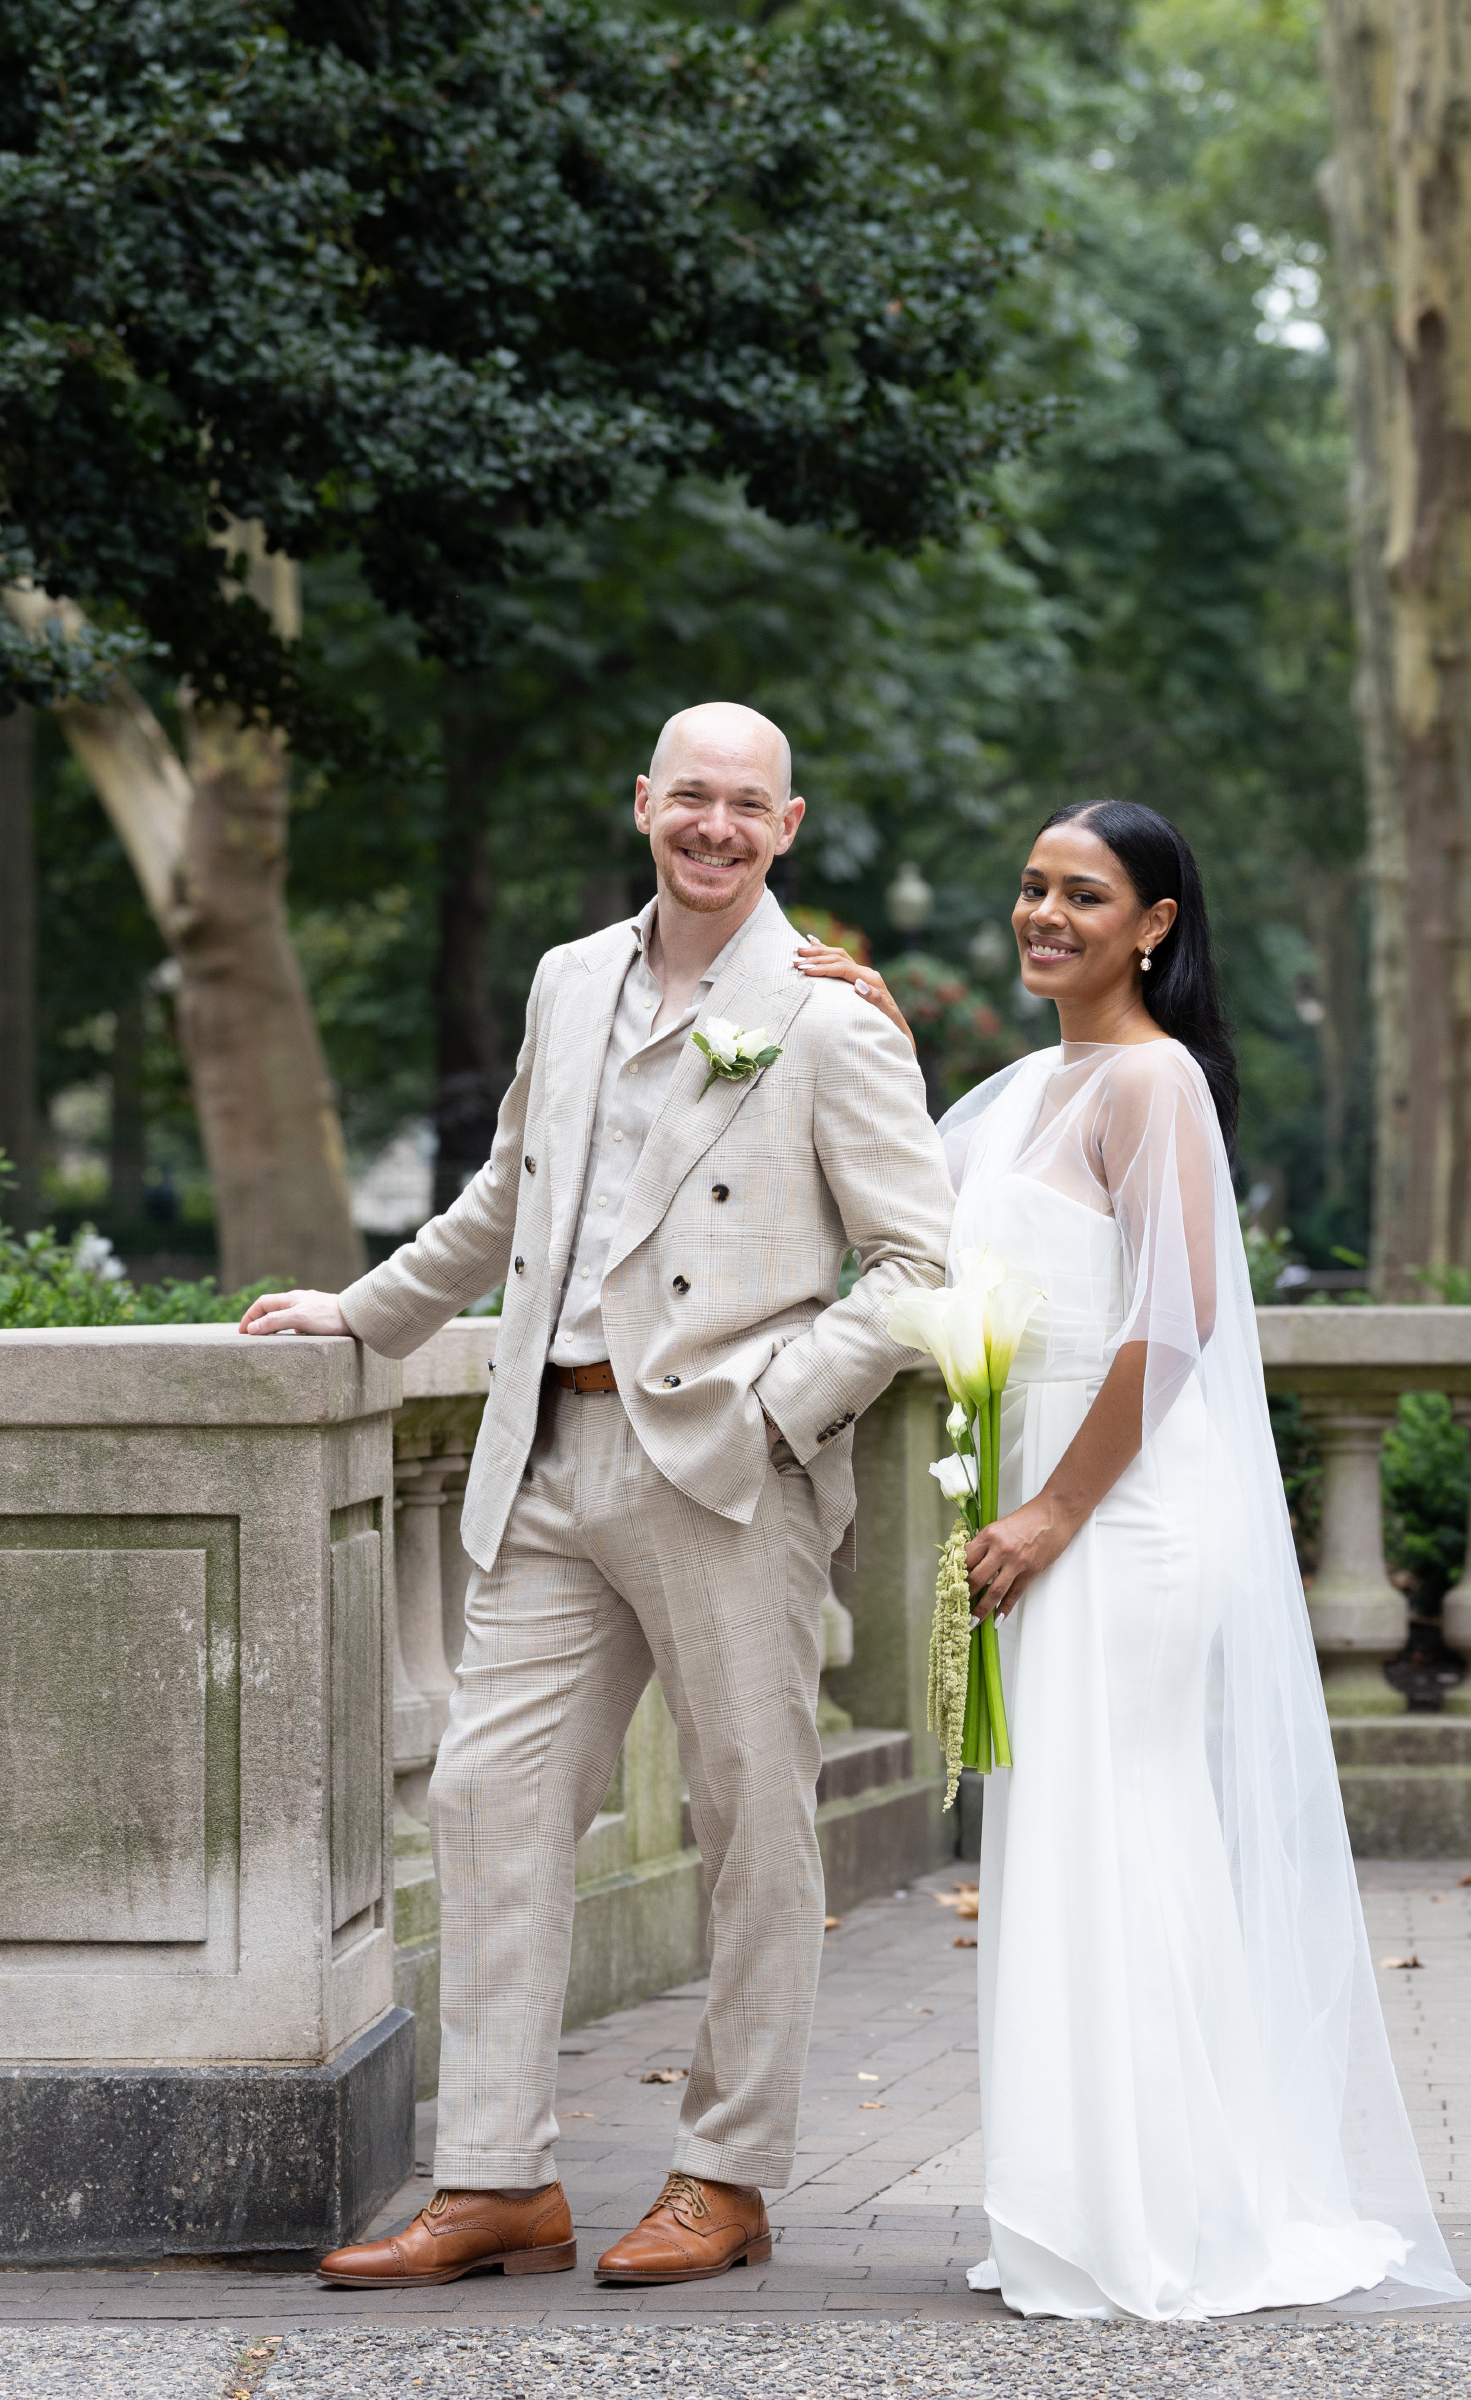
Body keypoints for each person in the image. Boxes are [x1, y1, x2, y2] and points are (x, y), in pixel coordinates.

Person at [240, 702, 952, 2289]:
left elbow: (921, 1273)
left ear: (790, 827)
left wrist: (786, 1406)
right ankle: (496, 2176)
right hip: (544, 1455)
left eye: (745, 805)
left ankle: (730, 2173)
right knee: (490, 1803)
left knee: (752, 1821)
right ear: (643, 804)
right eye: (688, 795)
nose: (713, 825)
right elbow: (510, 1190)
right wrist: (363, 1316)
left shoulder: (834, 1018)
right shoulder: (569, 982)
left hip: (725, 1470)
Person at [801, 800, 1471, 2321]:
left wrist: (1049, 1515)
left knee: (1128, 1837)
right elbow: (931, 1187)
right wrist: (890, 1023)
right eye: (1034, 888)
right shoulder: (1040, 1080)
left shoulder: (1154, 1088)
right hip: (1039, 1503)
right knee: (1066, 1856)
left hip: (1122, 1515)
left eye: (1085, 895)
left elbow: (1169, 1326)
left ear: (1155, 924)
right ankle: (1083, 2202)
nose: (1046, 914)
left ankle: (1170, 2218)